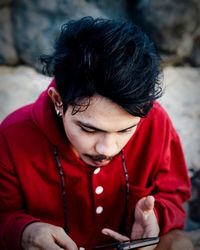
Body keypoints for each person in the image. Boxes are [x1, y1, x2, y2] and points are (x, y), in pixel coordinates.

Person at [0, 16, 193, 250]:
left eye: (126, 130)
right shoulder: (12, 136)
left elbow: (175, 194)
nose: (107, 148)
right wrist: (24, 232)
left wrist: (155, 220)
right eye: (89, 129)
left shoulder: (155, 121)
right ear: (58, 101)